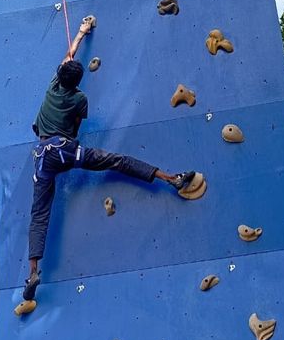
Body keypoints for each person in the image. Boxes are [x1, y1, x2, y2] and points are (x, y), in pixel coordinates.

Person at [16, 16, 195, 312]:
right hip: (66, 151)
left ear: (59, 75)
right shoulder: (79, 99)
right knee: (115, 161)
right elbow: (73, 130)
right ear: (77, 81)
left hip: (42, 159)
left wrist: (82, 32)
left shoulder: (52, 86)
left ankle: (33, 271)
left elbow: (69, 54)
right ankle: (171, 179)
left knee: (39, 214)